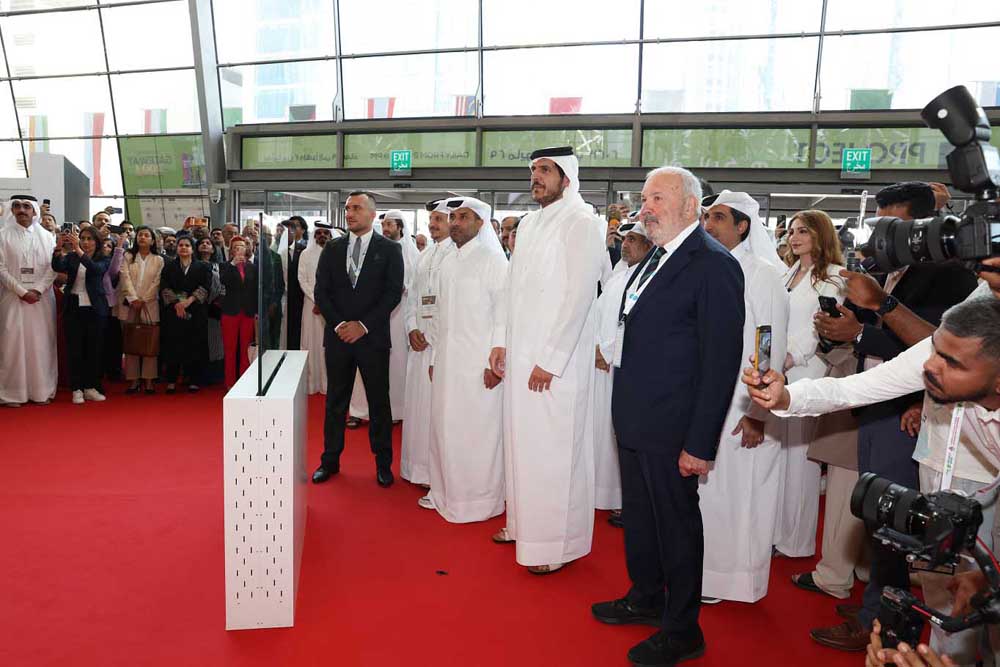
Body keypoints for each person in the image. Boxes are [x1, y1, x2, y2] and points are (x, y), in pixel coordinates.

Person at [743, 270, 1000, 666]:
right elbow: (857, 387)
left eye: (950, 362)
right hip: (943, 489)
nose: (929, 368)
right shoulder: (955, 344)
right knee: (951, 610)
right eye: (934, 351)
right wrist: (785, 396)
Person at [806, 182, 978, 650]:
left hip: (914, 415)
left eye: (896, 226)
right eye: (880, 225)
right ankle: (879, 603)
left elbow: (933, 349)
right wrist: (846, 330)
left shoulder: (951, 278)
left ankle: (877, 621)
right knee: (879, 512)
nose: (885, 237)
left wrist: (863, 331)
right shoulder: (890, 269)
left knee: (896, 523)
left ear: (923, 226)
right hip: (879, 401)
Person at [591, 167, 745, 667]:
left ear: (689, 206)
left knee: (676, 526)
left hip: (675, 426)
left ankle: (683, 629)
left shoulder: (713, 264)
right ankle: (646, 596)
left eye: (657, 197)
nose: (645, 206)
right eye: (644, 197)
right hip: (635, 419)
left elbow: (721, 363)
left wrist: (700, 443)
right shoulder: (655, 257)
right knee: (640, 518)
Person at [487, 146, 608, 574]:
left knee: (554, 452)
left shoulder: (582, 223)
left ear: (567, 178)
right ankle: (524, 525)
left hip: (557, 364)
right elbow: (511, 287)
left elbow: (579, 297)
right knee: (523, 446)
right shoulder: (531, 223)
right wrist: (501, 340)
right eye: (534, 170)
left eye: (545, 170)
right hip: (522, 356)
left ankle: (555, 545)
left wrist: (551, 359)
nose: (536, 177)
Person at [696, 191, 789, 604]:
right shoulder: (710, 266)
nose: (709, 224)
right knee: (710, 492)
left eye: (718, 217)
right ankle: (705, 575)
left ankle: (732, 582)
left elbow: (767, 342)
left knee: (740, 494)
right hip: (709, 396)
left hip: (744, 399)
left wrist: (757, 412)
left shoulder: (764, 273)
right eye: (706, 217)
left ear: (743, 226)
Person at [424, 196, 508, 520]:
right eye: (454, 217)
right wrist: (434, 356)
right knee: (444, 428)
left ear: (480, 223)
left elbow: (504, 315)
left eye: (463, 217)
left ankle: (478, 501)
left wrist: (495, 365)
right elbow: (439, 316)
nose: (455, 223)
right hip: (447, 363)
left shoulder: (492, 260)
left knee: (477, 433)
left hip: (478, 367)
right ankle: (445, 493)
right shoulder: (449, 260)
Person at [313, 192, 404, 488]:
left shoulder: (390, 249)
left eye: (356, 208)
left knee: (379, 403)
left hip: (372, 338)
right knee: (335, 403)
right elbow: (321, 292)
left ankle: (383, 464)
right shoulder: (332, 249)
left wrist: (362, 326)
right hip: (338, 337)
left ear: (372, 214)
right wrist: (340, 324)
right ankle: (329, 461)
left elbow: (392, 294)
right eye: (348, 208)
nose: (350, 213)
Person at [775, 209, 846, 558]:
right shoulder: (788, 272)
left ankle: (797, 542)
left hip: (808, 372)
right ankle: (778, 531)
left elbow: (822, 327)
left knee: (800, 460)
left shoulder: (834, 278)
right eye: (791, 231)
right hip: (777, 370)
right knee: (780, 456)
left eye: (803, 230)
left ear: (820, 235)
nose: (794, 236)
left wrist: (790, 357)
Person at [594, 220, 652, 524]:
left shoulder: (650, 278)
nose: (626, 245)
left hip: (624, 367)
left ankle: (624, 500)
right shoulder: (620, 277)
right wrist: (595, 347)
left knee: (622, 434)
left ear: (648, 245)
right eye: (624, 239)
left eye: (633, 239)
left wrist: (607, 351)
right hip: (602, 365)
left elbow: (634, 326)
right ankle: (605, 495)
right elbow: (599, 314)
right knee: (603, 433)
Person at [401, 199, 454, 486]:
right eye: (431, 220)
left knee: (436, 409)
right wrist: (411, 328)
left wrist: (431, 335)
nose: (433, 225)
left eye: (439, 220)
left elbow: (453, 306)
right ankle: (417, 468)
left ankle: (436, 473)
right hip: (418, 343)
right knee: (418, 407)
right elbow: (412, 298)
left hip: (440, 345)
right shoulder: (425, 254)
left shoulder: (457, 256)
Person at [0, 195, 57, 406]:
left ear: (34, 211)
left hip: (41, 299)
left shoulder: (47, 237)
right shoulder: (2, 235)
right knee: (11, 344)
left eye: (26, 206)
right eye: (16, 206)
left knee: (40, 344)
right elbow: (1, 269)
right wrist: (23, 292)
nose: (21, 210)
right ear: (11, 210)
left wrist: (38, 289)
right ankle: (12, 393)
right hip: (12, 297)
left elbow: (54, 267)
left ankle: (40, 391)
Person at [52, 226, 110, 404]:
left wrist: (78, 249)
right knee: (75, 349)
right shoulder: (71, 257)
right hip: (74, 306)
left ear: (97, 241)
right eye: (82, 238)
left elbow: (95, 269)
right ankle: (76, 388)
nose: (85, 242)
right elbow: (57, 266)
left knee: (93, 349)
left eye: (89, 239)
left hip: (95, 308)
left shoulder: (104, 258)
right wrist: (57, 248)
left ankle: (90, 387)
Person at [159, 235, 211, 393]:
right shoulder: (169, 266)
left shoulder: (202, 266)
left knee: (195, 344)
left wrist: (188, 302)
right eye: (180, 245)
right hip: (174, 311)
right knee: (173, 344)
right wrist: (177, 304)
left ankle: (194, 379)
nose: (183, 248)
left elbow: (205, 286)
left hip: (196, 310)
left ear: (192, 248)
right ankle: (171, 380)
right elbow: (164, 286)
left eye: (187, 245)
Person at [117, 226, 163, 395]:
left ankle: (149, 381)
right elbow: (124, 277)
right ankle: (134, 380)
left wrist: (143, 299)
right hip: (130, 304)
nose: (142, 237)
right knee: (132, 340)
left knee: (149, 341)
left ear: (152, 240)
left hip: (150, 305)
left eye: (146, 235)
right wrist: (133, 298)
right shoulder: (128, 256)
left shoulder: (159, 259)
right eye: (140, 235)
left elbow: (157, 282)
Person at [298, 222, 334, 394]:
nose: (322, 235)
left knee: (327, 346)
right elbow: (302, 279)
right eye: (318, 233)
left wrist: (325, 301)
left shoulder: (336, 253)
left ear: (330, 235)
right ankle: (311, 384)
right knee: (310, 343)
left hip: (331, 306)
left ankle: (328, 384)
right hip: (311, 304)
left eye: (325, 232)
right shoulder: (305, 254)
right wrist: (316, 300)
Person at [219, 236, 257, 388]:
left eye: (242, 246)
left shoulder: (252, 267)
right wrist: (233, 264)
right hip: (230, 311)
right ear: (231, 250)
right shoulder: (225, 266)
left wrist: (256, 310)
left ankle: (244, 382)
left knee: (245, 349)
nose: (239, 249)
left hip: (247, 312)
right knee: (230, 348)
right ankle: (229, 383)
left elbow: (255, 290)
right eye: (236, 247)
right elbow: (223, 281)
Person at [197, 237, 226, 386]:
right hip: (196, 308)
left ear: (213, 249)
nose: (205, 245)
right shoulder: (193, 265)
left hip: (214, 309)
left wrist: (216, 301)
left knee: (216, 342)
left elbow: (223, 286)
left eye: (208, 243)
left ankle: (215, 375)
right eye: (202, 243)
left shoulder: (219, 267)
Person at [278, 216, 308, 350]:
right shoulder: (277, 251)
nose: (289, 231)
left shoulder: (305, 249)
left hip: (300, 299)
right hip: (283, 299)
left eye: (293, 228)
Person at [101, 233, 126, 385]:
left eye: (109, 245)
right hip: (96, 305)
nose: (106, 247)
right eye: (103, 244)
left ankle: (114, 370)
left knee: (114, 341)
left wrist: (119, 247)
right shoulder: (93, 261)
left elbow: (114, 270)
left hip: (113, 307)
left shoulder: (116, 263)